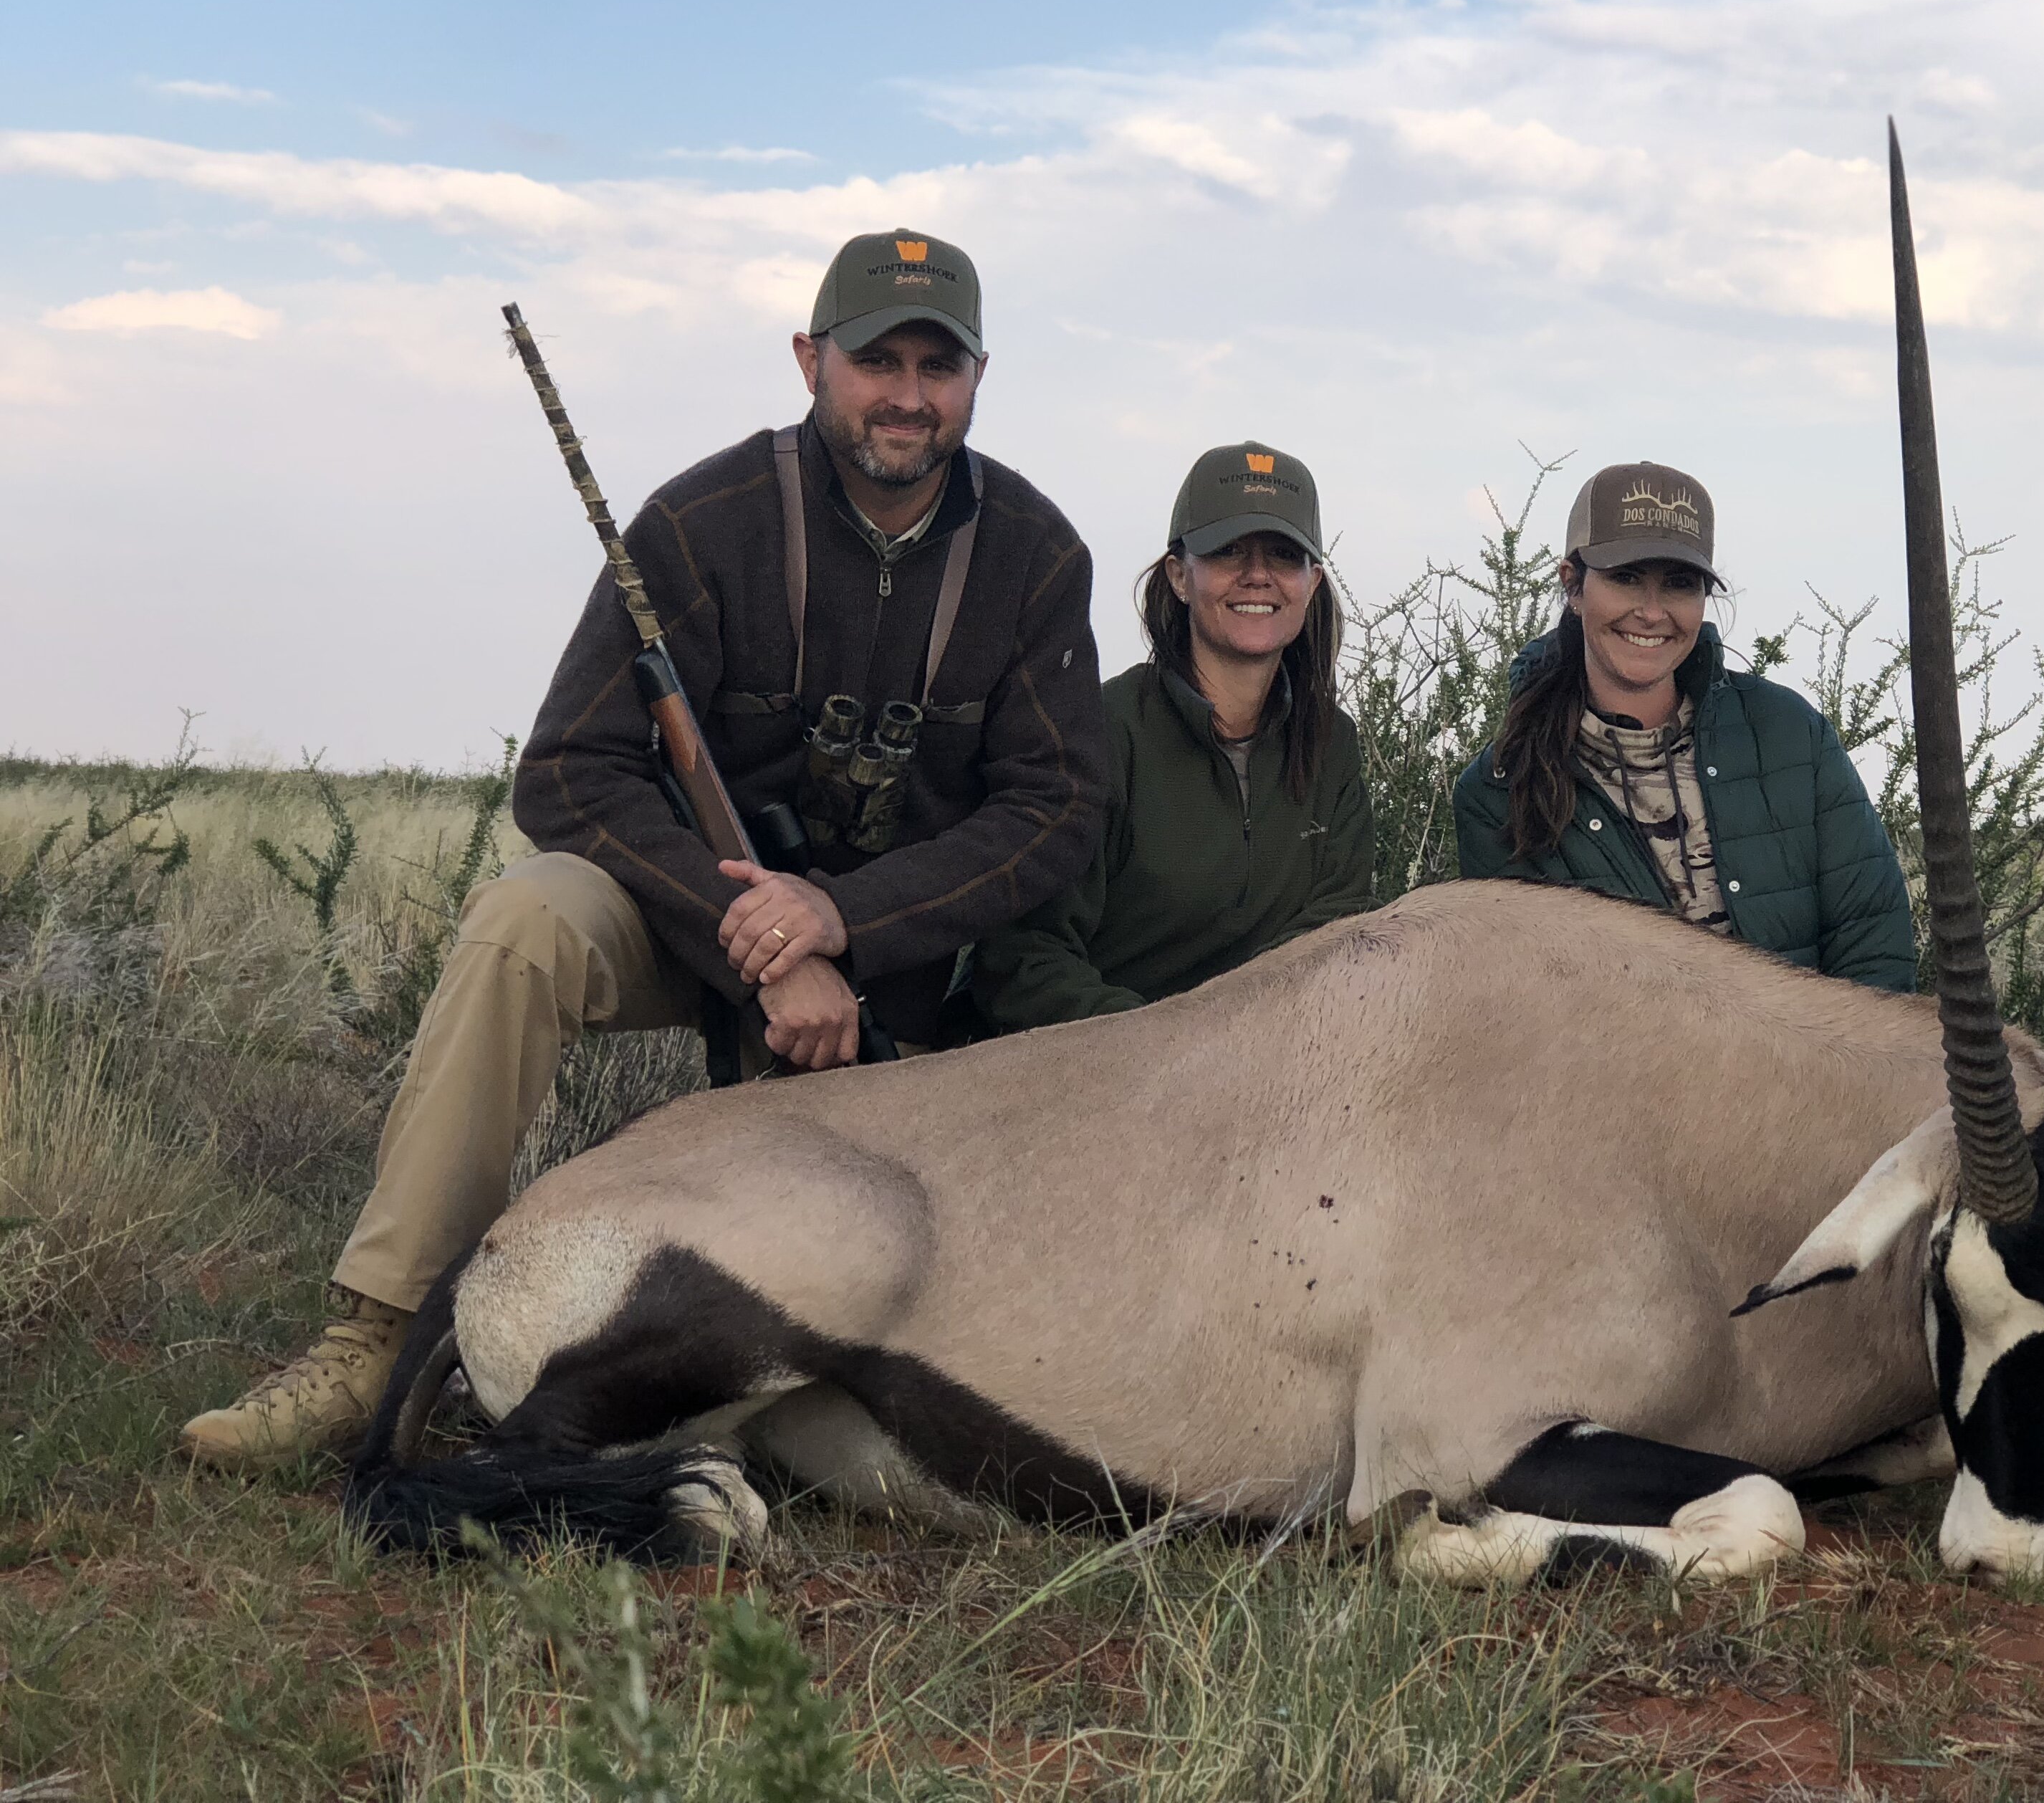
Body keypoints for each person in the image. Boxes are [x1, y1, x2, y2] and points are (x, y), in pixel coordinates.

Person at [180, 228, 1110, 1468]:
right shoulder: (704, 519)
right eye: (874, 358)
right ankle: (375, 1338)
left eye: (936, 366)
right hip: (697, 933)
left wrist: (842, 922)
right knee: (526, 920)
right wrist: (760, 943)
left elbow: (1053, 809)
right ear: (809, 359)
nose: (905, 393)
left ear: (978, 377)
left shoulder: (1036, 556)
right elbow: (569, 767)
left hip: (889, 984)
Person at [1453, 460, 1916, 990]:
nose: (1652, 613)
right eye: (1626, 578)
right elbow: (1525, 1003)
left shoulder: (1791, 734)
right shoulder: (1497, 791)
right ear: (1573, 587)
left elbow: (1875, 945)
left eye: (1679, 584)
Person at [970, 441, 1374, 1031]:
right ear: (1181, 576)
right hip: (1088, 1070)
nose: (1258, 575)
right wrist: (1169, 1047)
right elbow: (1022, 960)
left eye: (1284, 556)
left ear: (1312, 584)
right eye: (1229, 551)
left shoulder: (1333, 747)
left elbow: (1337, 936)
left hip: (1264, 1064)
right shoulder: (1099, 730)